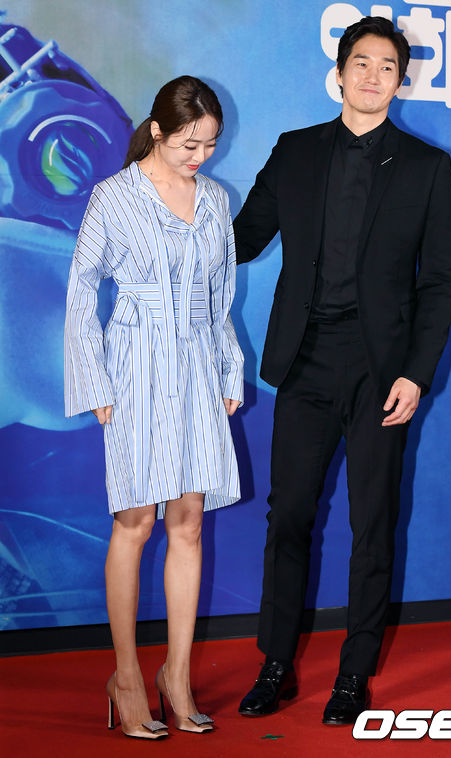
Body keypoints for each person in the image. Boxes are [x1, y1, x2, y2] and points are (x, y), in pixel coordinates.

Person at [235, 17, 451, 725]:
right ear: (339, 73)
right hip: (304, 361)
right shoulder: (296, 153)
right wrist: (169, 189)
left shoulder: (427, 168)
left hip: (381, 371)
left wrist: (416, 373)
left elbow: (441, 281)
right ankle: (275, 664)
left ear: (401, 79)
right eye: (360, 62)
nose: (371, 76)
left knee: (374, 522)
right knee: (289, 516)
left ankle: (354, 675)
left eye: (386, 66)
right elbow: (240, 240)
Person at [64, 76, 243, 739]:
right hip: (134, 367)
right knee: (136, 518)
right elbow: (82, 290)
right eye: (190, 144)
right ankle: (127, 677)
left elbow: (220, 292)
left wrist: (228, 365)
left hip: (197, 365)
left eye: (211, 146)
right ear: (158, 131)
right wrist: (96, 383)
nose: (201, 157)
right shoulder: (113, 197)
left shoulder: (216, 200)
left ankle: (177, 673)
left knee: (188, 519)